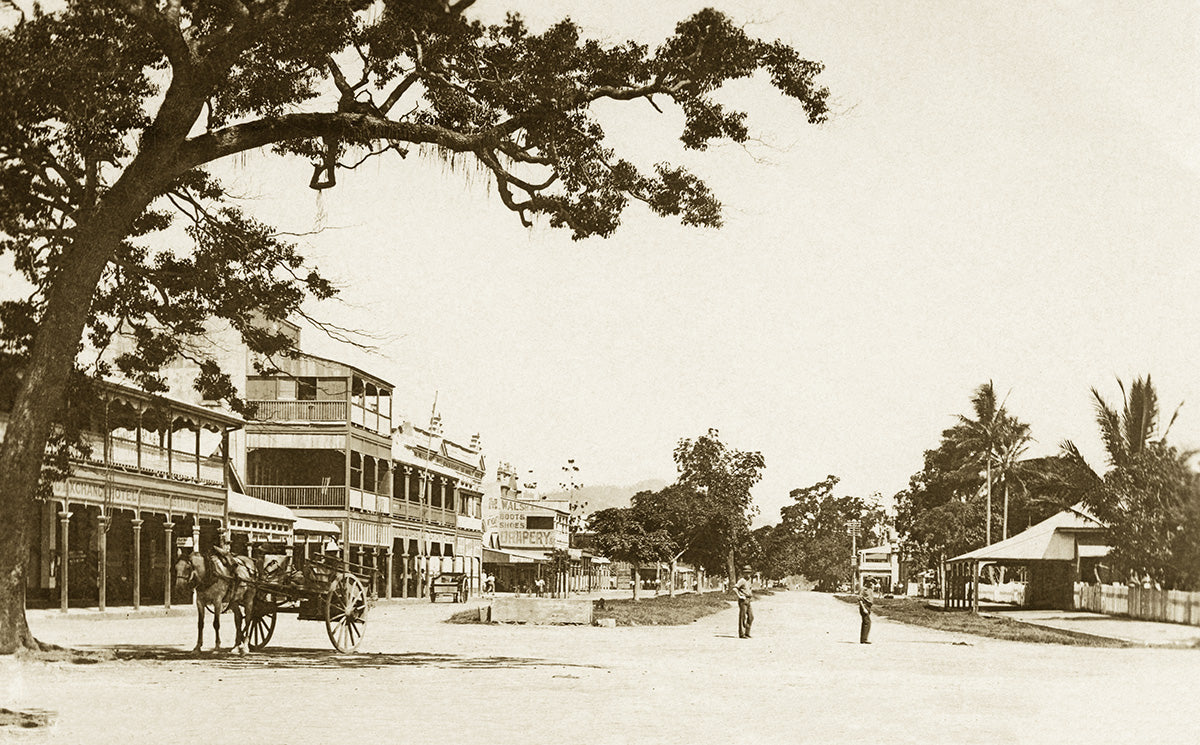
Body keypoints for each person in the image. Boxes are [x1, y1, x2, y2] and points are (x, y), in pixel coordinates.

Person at [735, 566, 754, 638]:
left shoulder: (749, 580)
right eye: (746, 573)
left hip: (748, 600)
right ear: (744, 573)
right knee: (742, 617)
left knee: (751, 617)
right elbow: (735, 588)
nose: (748, 574)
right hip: (743, 600)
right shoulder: (742, 580)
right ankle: (742, 634)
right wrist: (740, 596)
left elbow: (749, 588)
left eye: (749, 573)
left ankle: (747, 632)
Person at [858, 579, 875, 644]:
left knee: (865, 622)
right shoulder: (863, 589)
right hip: (864, 606)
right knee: (867, 622)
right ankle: (864, 639)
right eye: (870, 581)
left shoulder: (870, 589)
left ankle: (863, 639)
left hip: (868, 606)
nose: (871, 583)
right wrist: (863, 608)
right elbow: (860, 599)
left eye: (872, 582)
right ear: (867, 582)